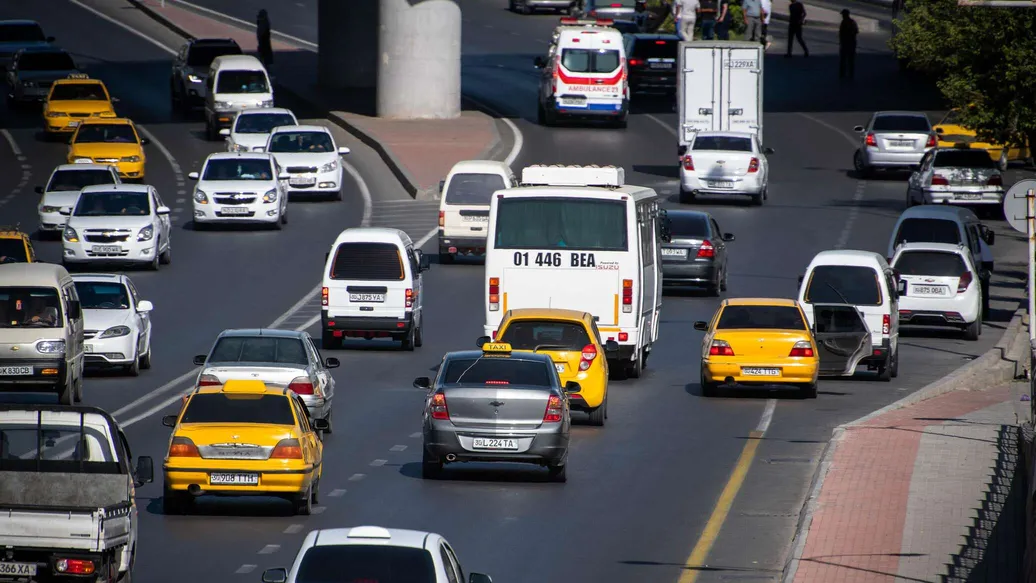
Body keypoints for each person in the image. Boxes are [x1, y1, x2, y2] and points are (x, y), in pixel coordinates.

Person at [839, 9, 858, 79]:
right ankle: (850, 74)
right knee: (850, 60)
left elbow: (841, 33)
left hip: (846, 43)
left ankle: (843, 74)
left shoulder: (844, 22)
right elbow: (856, 31)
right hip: (851, 43)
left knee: (844, 59)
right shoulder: (852, 22)